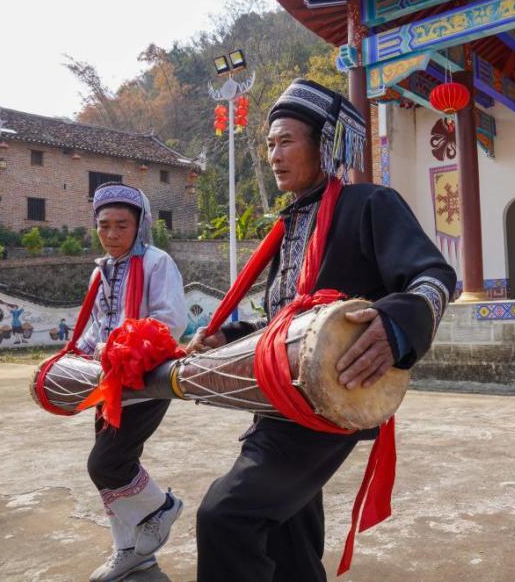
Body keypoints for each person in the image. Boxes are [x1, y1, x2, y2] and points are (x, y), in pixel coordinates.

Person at [187, 79, 456, 581]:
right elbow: (285, 323)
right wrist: (233, 335)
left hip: (331, 394)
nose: (273, 155)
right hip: (280, 399)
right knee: (287, 534)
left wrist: (394, 324)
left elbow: (434, 276)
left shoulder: (369, 203)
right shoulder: (289, 227)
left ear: (325, 144)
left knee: (227, 516)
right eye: (269, 144)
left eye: (286, 140)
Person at [74, 182, 188, 582]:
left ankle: (161, 508)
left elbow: (169, 321)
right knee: (112, 467)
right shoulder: (99, 271)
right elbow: (91, 327)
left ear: (140, 226)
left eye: (122, 225)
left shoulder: (157, 263)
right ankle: (131, 552)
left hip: (144, 381)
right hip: (106, 383)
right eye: (104, 225)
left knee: (106, 463)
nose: (111, 234)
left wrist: (121, 347)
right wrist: (78, 355)